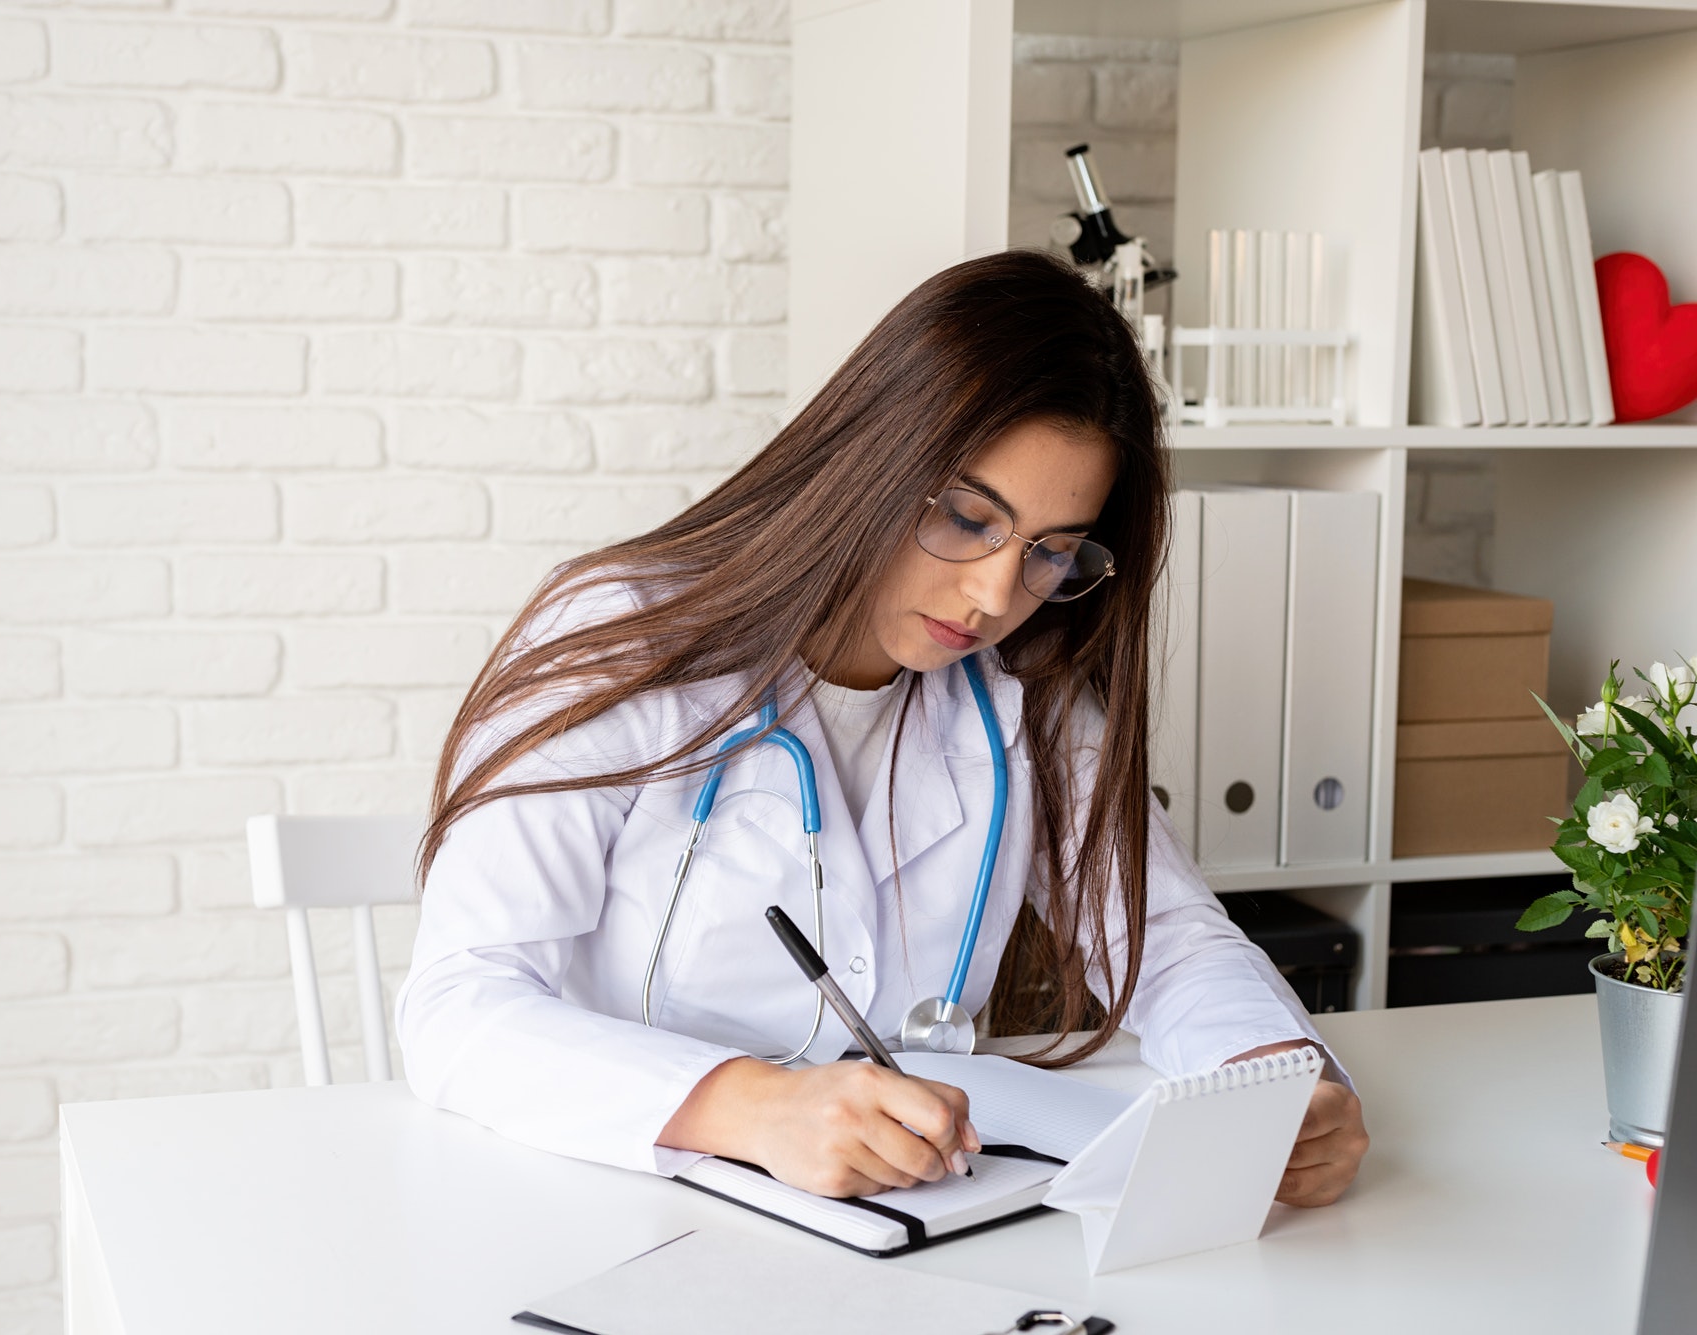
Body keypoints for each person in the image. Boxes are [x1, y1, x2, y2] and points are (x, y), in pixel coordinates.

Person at [395, 250, 1368, 1206]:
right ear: (871, 455)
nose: (994, 594)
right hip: (611, 1202)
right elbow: (458, 1004)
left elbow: (1169, 942)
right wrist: (753, 1109)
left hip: (907, 1218)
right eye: (965, 516)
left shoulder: (1014, 698)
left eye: (1051, 553)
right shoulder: (622, 637)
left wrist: (1276, 1079)